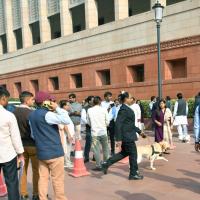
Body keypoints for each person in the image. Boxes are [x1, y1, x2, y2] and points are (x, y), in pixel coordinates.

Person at [29, 91, 72, 200]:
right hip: (54, 152)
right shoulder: (48, 114)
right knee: (57, 179)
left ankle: (42, 198)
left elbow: (33, 135)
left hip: (41, 152)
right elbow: (66, 120)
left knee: (43, 179)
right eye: (50, 100)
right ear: (45, 102)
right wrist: (57, 108)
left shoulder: (32, 115)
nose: (52, 102)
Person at [101, 92, 145, 180]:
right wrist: (118, 139)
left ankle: (106, 163)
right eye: (131, 98)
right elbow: (118, 124)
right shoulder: (124, 110)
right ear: (126, 99)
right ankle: (133, 173)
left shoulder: (126, 108)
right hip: (127, 137)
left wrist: (140, 132)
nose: (132, 99)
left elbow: (130, 124)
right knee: (133, 154)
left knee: (124, 153)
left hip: (128, 135)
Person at [13, 91, 39, 200]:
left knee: (23, 170)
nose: (33, 101)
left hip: (20, 146)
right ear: (27, 100)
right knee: (36, 170)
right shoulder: (32, 113)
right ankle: (36, 193)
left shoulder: (14, 112)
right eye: (32, 99)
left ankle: (23, 193)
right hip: (32, 145)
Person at [0, 87, 24, 200]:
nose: (7, 102)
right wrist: (20, 153)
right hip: (7, 155)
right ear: (3, 98)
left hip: (7, 154)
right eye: (7, 99)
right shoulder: (8, 115)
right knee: (12, 183)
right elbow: (15, 137)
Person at [87, 96, 110, 171]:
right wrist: (104, 126)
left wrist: (93, 126)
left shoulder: (90, 110)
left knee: (96, 150)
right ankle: (106, 163)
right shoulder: (104, 109)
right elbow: (107, 121)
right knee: (105, 149)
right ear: (100, 102)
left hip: (94, 133)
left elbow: (88, 121)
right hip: (103, 132)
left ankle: (98, 165)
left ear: (93, 102)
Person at [59, 100, 75, 169]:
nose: (69, 106)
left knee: (67, 148)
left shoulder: (65, 112)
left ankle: (67, 161)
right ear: (64, 106)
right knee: (67, 149)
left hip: (68, 134)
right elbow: (64, 124)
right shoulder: (63, 113)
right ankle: (67, 162)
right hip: (66, 134)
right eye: (68, 105)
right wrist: (68, 134)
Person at [81, 96, 94, 163]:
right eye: (92, 100)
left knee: (96, 142)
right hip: (89, 128)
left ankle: (95, 156)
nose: (94, 100)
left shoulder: (96, 107)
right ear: (89, 101)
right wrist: (90, 123)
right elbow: (83, 118)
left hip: (96, 128)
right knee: (88, 143)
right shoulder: (85, 109)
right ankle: (86, 157)